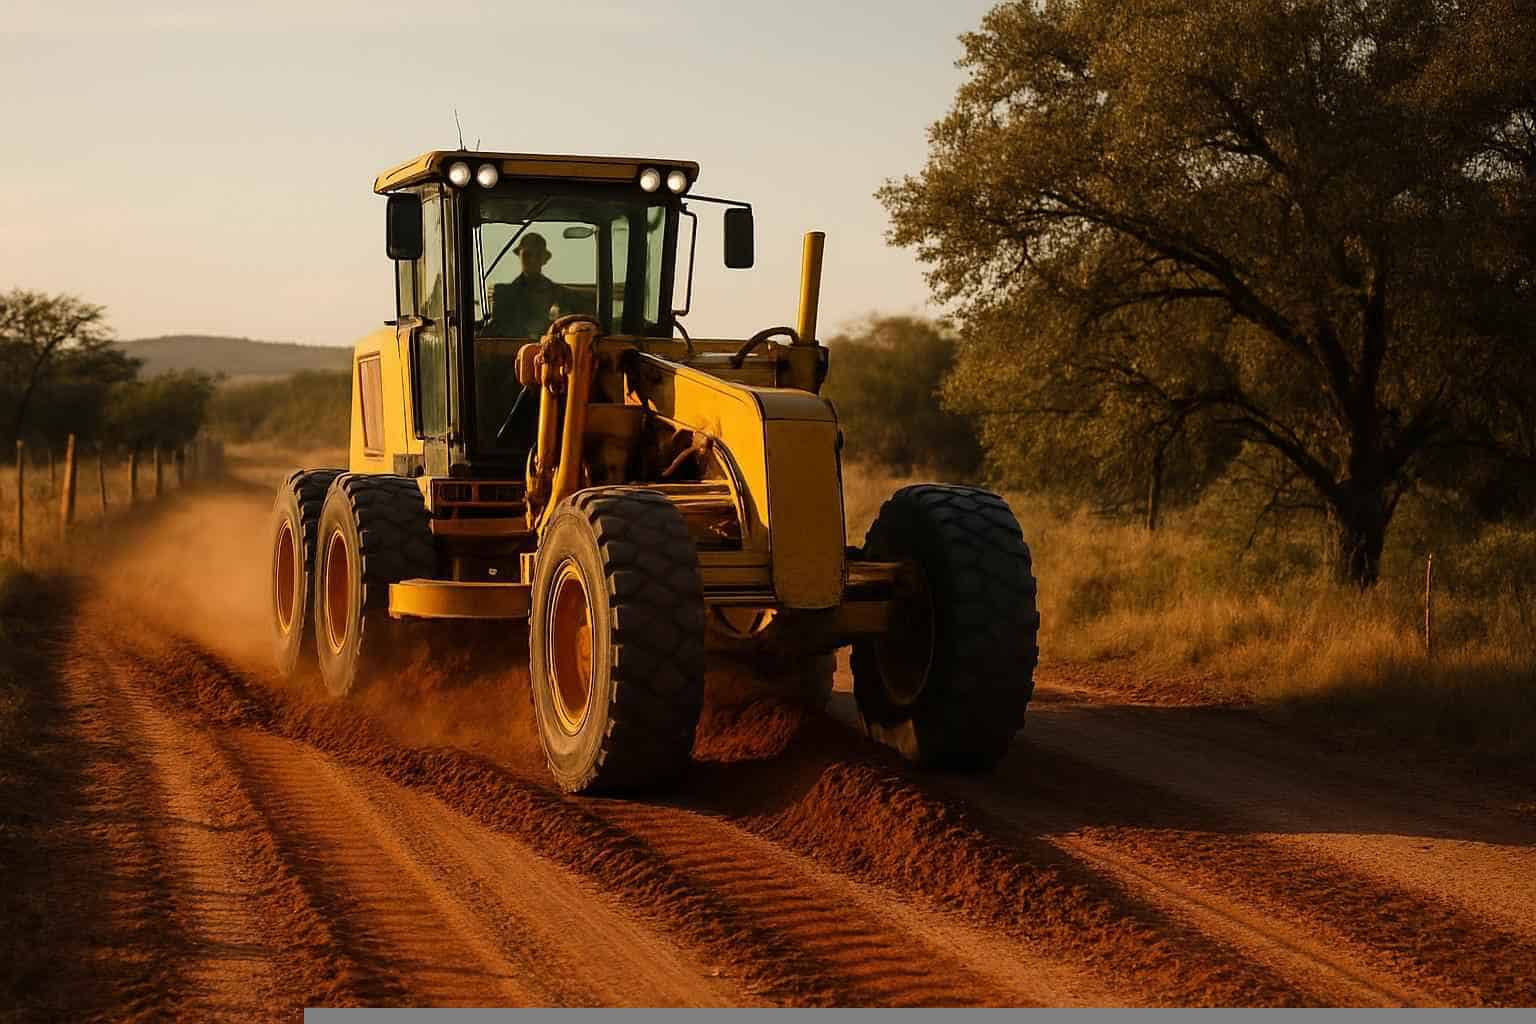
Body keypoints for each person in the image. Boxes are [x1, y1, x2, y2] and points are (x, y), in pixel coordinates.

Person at [489, 232, 585, 338]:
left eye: (538, 255)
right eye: (527, 255)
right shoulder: (503, 295)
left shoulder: (559, 294)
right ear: (519, 256)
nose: (532, 260)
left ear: (544, 259)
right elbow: (495, 334)